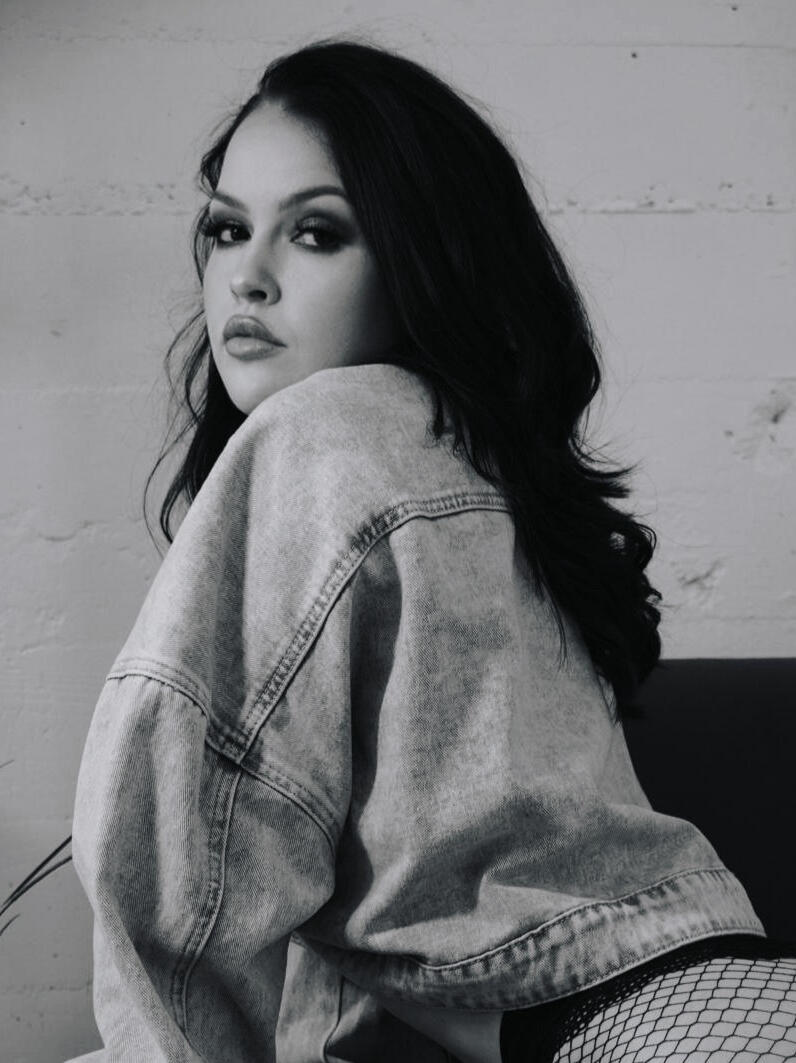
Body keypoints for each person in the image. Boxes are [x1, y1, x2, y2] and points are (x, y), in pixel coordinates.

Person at [67, 38, 795, 1063]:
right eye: (227, 229)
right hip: (713, 989)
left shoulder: (325, 428)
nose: (248, 278)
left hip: (646, 1026)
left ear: (421, 255)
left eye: (317, 233)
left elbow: (192, 859)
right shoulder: (482, 458)